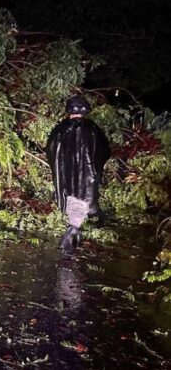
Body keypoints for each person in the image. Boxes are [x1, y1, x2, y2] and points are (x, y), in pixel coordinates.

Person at [46, 96, 111, 254]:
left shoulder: (60, 129)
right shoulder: (92, 129)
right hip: (87, 180)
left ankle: (71, 238)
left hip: (67, 181)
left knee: (74, 205)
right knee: (81, 205)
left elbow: (51, 150)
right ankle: (70, 242)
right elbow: (105, 150)